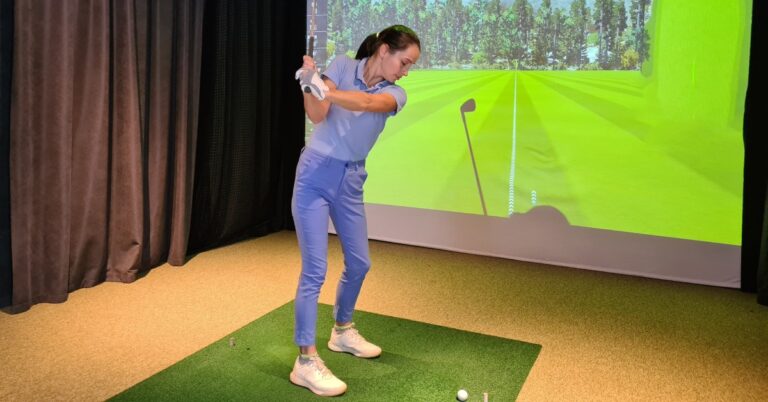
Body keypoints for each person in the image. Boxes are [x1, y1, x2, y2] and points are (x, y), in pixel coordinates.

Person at [289, 25, 421, 397]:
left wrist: (322, 84)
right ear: (383, 49)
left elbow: (364, 105)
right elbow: (317, 115)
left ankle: (342, 331)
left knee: (360, 263)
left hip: (350, 179)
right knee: (315, 269)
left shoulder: (395, 93)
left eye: (410, 65)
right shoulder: (345, 65)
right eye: (404, 61)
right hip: (315, 173)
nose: (405, 71)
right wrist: (309, 85)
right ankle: (305, 361)